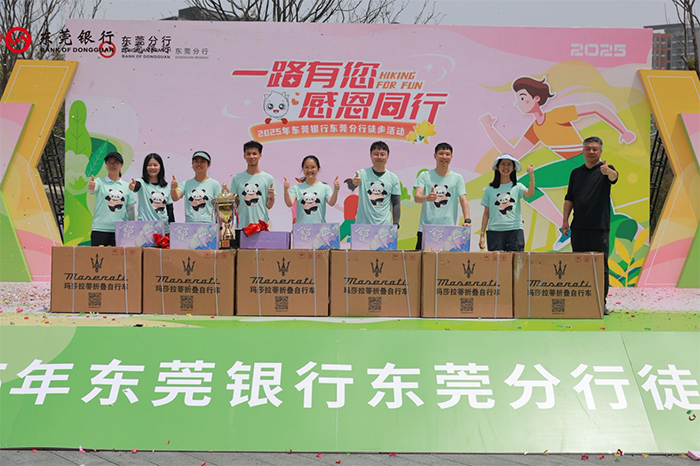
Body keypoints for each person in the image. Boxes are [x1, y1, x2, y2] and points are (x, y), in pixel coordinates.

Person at [480, 76, 635, 244]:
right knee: (528, 185)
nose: (518, 103)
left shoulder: (555, 115)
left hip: (579, 162)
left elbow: (596, 107)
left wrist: (624, 131)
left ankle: (616, 224)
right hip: (573, 166)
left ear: (536, 98)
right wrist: (489, 128)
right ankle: (566, 229)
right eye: (518, 99)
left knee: (601, 205)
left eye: (522, 98)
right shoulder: (535, 129)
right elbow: (513, 152)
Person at [562, 136, 618, 315]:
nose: (591, 152)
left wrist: (608, 172)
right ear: (583, 151)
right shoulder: (575, 173)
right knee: (579, 264)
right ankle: (581, 301)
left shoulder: (606, 170)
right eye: (588, 149)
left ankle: (601, 302)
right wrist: (565, 220)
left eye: (595, 149)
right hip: (578, 226)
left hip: (599, 227)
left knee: (601, 266)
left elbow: (614, 177)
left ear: (600, 151)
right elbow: (569, 198)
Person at [413, 142, 471, 249]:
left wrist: (467, 219)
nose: (444, 157)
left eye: (447, 154)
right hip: (426, 228)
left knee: (446, 259)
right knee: (423, 259)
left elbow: (463, 200)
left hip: (448, 229)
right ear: (435, 156)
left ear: (451, 157)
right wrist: (427, 198)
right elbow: (417, 198)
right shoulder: (425, 176)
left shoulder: (457, 178)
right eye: (441, 153)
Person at [478, 154, 535, 251]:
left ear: (513, 168)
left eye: (509, 164)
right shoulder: (489, 189)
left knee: (516, 260)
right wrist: (482, 235)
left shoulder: (518, 186)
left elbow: (530, 193)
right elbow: (486, 213)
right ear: (497, 167)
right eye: (503, 164)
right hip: (495, 231)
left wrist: (531, 176)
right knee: (497, 260)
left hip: (515, 230)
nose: (506, 167)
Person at [87, 151, 136, 246]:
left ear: (121, 165)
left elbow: (130, 208)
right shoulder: (99, 182)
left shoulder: (127, 186)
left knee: (120, 255)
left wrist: (132, 226)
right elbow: (92, 190)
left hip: (121, 229)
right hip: (100, 228)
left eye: (115, 162)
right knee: (98, 255)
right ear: (106, 164)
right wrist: (91, 187)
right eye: (109, 162)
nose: (112, 165)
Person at [231, 141, 276, 245]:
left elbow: (269, 205)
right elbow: (235, 204)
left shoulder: (268, 178)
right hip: (242, 226)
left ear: (260, 155)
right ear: (244, 156)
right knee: (242, 254)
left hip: (261, 226)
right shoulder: (237, 178)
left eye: (254, 153)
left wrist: (271, 197)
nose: (251, 156)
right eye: (248, 154)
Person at [352, 141, 401, 226]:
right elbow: (351, 186)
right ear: (370, 155)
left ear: (388, 156)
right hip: (363, 226)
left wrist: (396, 223)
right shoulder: (361, 174)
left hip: (384, 226)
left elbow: (396, 203)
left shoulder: (393, 178)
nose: (379, 157)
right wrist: (354, 183)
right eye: (376, 154)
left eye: (382, 154)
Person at [283, 155, 340, 224]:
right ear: (303, 169)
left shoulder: (325, 187)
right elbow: (289, 203)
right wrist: (286, 190)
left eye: (313, 167)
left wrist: (336, 190)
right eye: (306, 167)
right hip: (302, 228)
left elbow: (331, 202)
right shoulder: (296, 188)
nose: (309, 170)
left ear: (318, 168)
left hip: (319, 227)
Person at [129, 153, 174, 233]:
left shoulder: (166, 186)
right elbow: (136, 186)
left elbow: (169, 208)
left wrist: (173, 228)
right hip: (145, 229)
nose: (152, 167)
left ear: (160, 167)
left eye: (155, 165)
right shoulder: (141, 183)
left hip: (164, 229)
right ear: (145, 167)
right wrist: (133, 186)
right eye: (149, 165)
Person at [171, 151, 221, 223]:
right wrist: (173, 188)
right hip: (190, 225)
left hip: (208, 225)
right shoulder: (186, 183)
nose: (199, 164)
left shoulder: (214, 184)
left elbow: (218, 208)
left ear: (208, 165)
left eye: (202, 161)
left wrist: (220, 226)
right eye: (196, 161)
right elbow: (175, 198)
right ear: (192, 164)